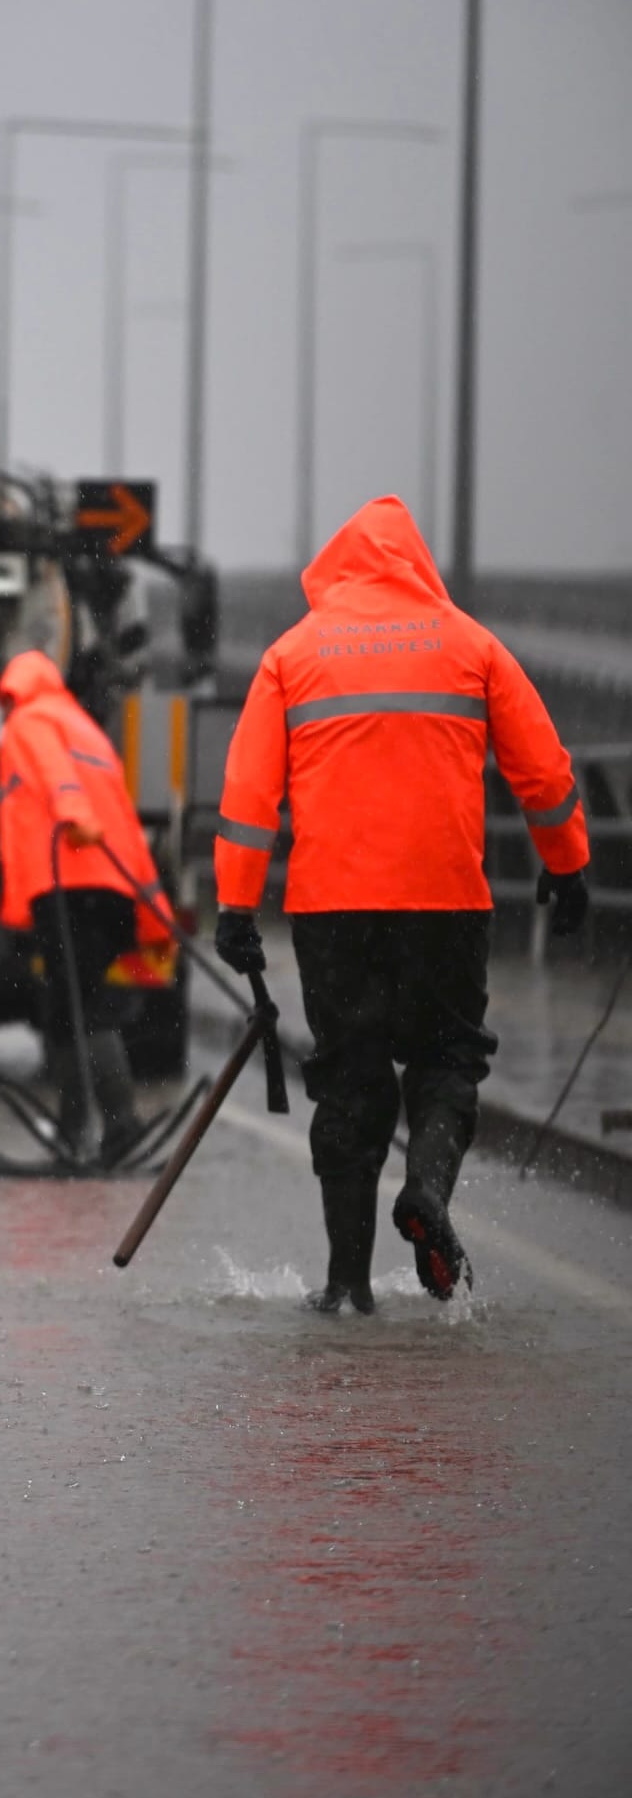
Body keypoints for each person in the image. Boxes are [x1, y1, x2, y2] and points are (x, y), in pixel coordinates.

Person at [213, 496, 590, 1314]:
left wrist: (236, 909)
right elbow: (546, 773)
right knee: (447, 1059)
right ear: (418, 565)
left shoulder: (293, 653)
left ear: (339, 566)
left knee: (349, 1080)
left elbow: (249, 796)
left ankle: (347, 1283)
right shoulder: (471, 644)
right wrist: (568, 867)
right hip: (446, 900)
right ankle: (426, 1190)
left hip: (332, 908)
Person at [0, 648, 174, 1164]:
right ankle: (75, 1130)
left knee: (81, 1007)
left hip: (66, 880)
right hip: (111, 885)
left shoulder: (30, 722)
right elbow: (126, 822)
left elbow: (56, 777)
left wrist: (72, 813)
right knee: (69, 1007)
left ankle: (118, 1124)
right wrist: (154, 907)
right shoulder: (88, 730)